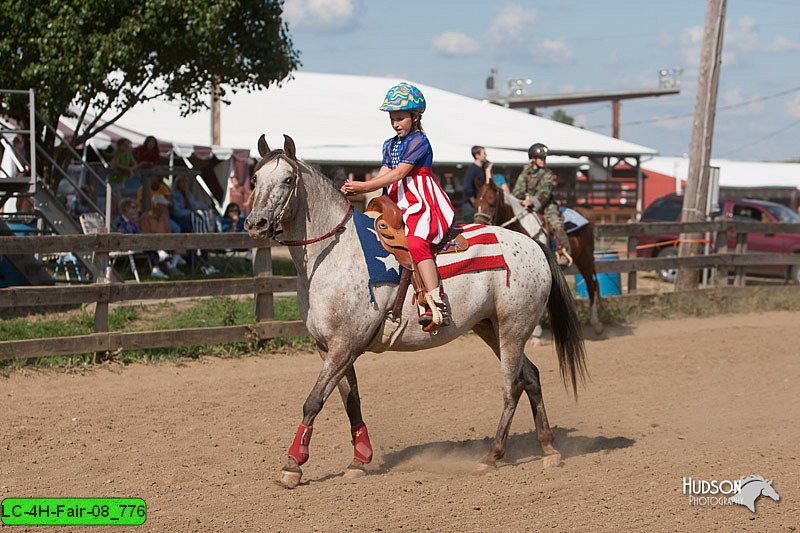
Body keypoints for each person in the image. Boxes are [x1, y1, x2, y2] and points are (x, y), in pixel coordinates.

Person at [341, 82, 455, 327]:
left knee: (415, 241)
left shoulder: (419, 141)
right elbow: (384, 174)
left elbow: (397, 174)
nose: (395, 123)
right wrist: (371, 196)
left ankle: (437, 300)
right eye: (392, 118)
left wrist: (360, 187)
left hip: (420, 199)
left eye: (401, 118)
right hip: (396, 198)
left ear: (415, 117)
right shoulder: (389, 144)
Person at [512, 142, 572, 266]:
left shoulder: (547, 174)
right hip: (526, 205)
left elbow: (545, 193)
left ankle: (564, 253)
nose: (543, 161)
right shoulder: (525, 173)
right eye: (541, 158)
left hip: (546, 205)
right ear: (533, 159)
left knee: (556, 225)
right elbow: (517, 191)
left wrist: (532, 200)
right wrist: (523, 199)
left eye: (544, 158)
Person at [139, 195, 183, 278]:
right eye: (163, 205)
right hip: (150, 243)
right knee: (153, 247)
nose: (164, 208)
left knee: (179, 245)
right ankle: (158, 269)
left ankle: (172, 267)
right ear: (156, 205)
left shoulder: (164, 217)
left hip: (164, 242)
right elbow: (146, 234)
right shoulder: (146, 217)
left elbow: (168, 232)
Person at [108, 138, 138, 217]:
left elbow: (135, 164)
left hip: (121, 180)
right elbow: (117, 164)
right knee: (116, 199)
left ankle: (116, 215)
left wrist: (130, 169)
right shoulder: (117, 153)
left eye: (128, 145)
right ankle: (114, 215)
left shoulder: (129, 154)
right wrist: (127, 169)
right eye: (124, 145)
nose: (127, 147)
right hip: (113, 179)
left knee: (117, 198)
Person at [461, 146, 491, 223]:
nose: (486, 155)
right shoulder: (472, 169)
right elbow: (467, 188)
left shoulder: (482, 168)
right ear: (477, 155)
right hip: (470, 206)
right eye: (484, 153)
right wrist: (475, 203)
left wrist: (488, 171)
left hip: (479, 205)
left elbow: (487, 185)